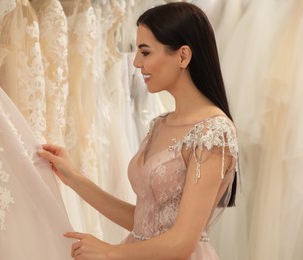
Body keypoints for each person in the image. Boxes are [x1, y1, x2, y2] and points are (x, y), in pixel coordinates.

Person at [38, 2, 238, 259]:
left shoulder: (214, 134)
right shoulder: (161, 124)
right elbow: (145, 221)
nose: (134, 62)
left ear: (183, 56)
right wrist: (74, 178)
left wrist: (109, 252)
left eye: (145, 52)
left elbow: (182, 242)